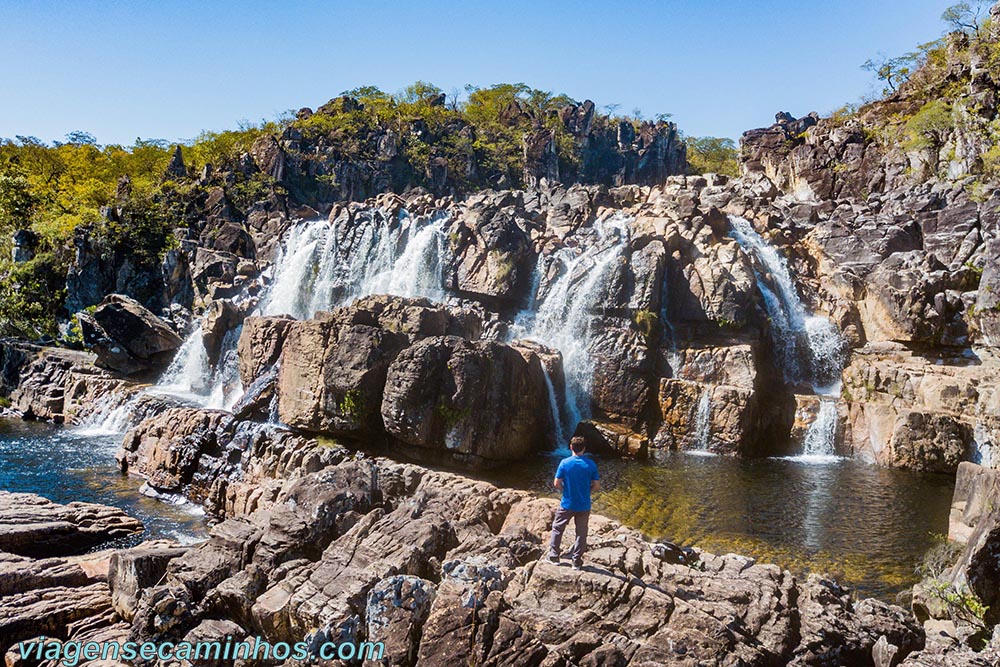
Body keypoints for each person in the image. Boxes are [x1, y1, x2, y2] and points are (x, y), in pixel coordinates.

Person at [547, 436, 600, 569]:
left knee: (558, 528)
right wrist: (587, 492)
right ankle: (576, 561)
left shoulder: (564, 463)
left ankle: (554, 556)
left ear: (571, 447)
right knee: (581, 532)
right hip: (584, 504)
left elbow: (556, 483)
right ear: (584, 449)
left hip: (567, 503)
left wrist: (566, 490)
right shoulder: (591, 464)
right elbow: (597, 485)